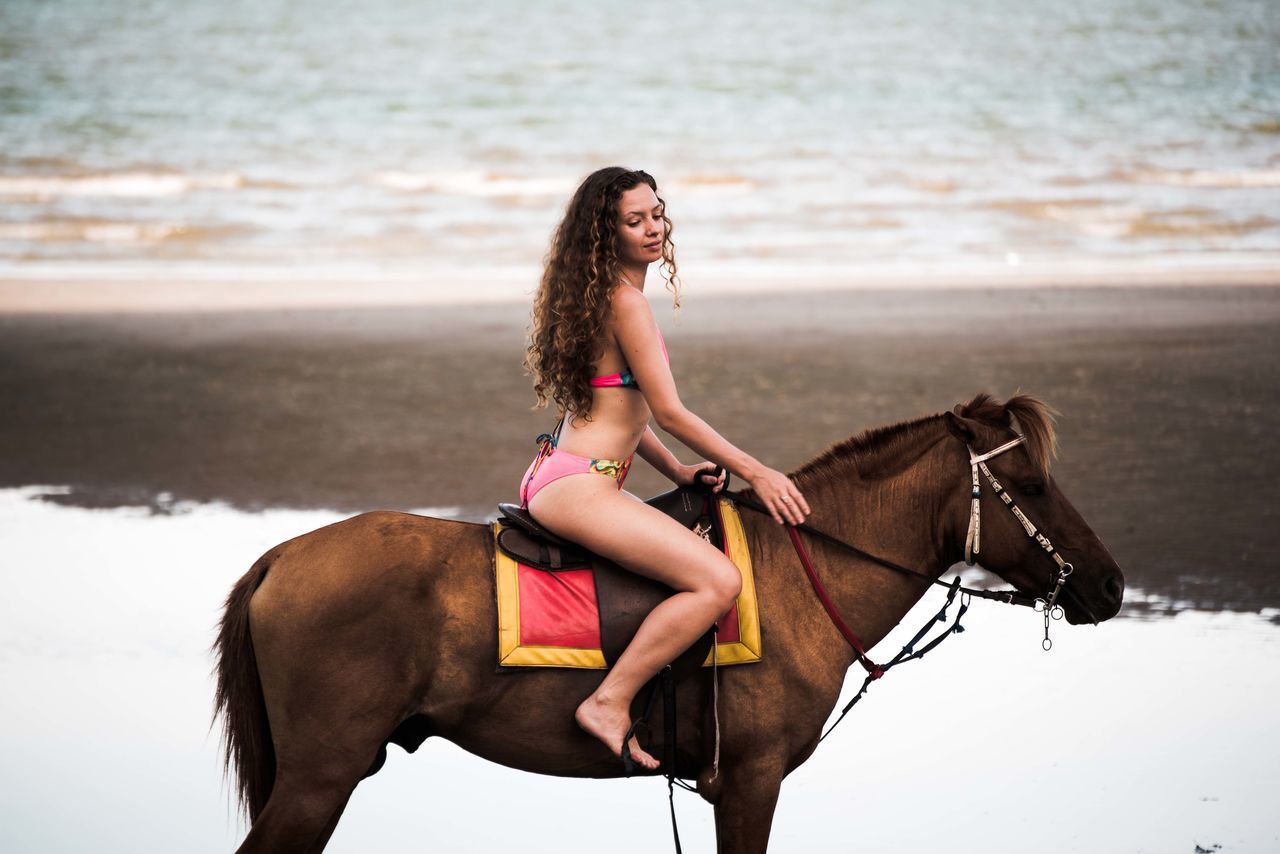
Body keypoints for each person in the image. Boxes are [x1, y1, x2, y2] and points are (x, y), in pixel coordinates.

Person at [519, 166, 811, 772]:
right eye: (635, 221)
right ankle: (609, 701)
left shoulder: (600, 297)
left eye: (656, 214)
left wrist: (676, 471)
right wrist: (758, 472)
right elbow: (672, 411)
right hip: (579, 486)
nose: (653, 229)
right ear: (608, 234)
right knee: (718, 583)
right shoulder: (626, 304)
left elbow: (621, 407)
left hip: (561, 470)